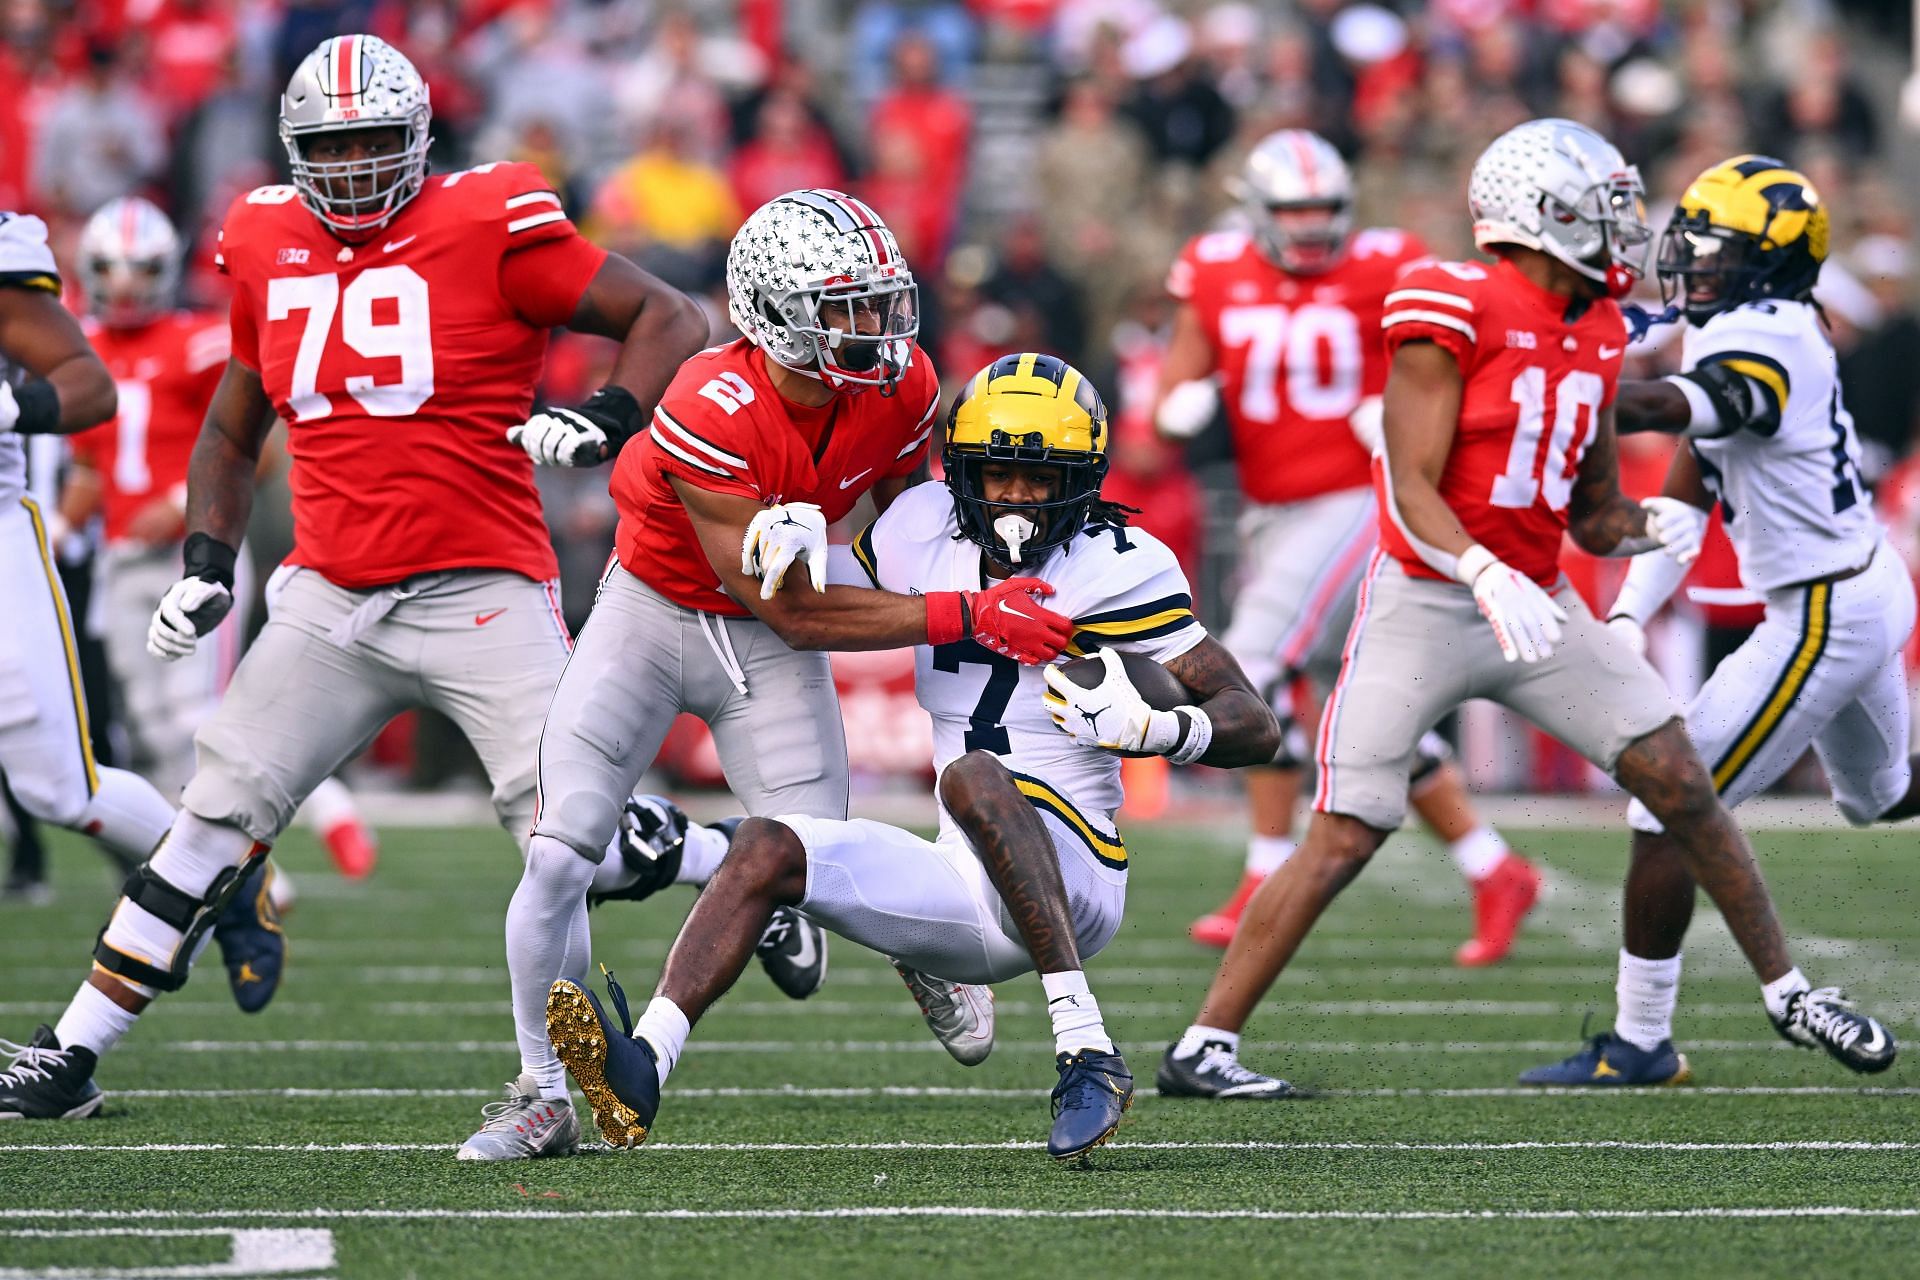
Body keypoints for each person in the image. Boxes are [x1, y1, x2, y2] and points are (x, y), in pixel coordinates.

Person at [0, 36, 709, 1134]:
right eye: (331, 145)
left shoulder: (492, 218)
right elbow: (235, 430)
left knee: (570, 844)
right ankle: (72, 1051)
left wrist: (608, 415)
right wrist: (204, 558)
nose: (353, 163)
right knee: (211, 817)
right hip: (328, 598)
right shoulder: (262, 236)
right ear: (295, 150)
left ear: (418, 136)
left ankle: (607, 1006)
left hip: (483, 589)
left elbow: (670, 315)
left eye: (376, 139)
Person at [1155, 119, 1895, 1101]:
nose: (1626, 229)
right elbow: (1411, 488)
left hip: (1539, 606)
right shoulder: (1449, 301)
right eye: (1604, 210)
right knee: (1345, 829)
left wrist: (1642, 530)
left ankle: (1788, 988)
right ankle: (1203, 1044)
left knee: (1679, 777)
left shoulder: (1595, 325)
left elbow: (1589, 513)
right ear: (1536, 215)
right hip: (1425, 598)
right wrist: (1479, 569)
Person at [543, 353, 1281, 1159]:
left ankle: (1086, 1048)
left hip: (1076, 878)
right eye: (999, 475)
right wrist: (791, 533)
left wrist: (1162, 731)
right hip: (961, 877)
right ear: (961, 471)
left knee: (975, 776)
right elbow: (817, 602)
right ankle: (645, 1063)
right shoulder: (918, 526)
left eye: (1043, 479)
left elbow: (1254, 722)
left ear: (1086, 479)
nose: (1018, 500)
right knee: (769, 841)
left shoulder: (1119, 563)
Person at [501, 190, 1082, 1161]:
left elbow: (909, 527)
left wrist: (1002, 559)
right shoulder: (707, 402)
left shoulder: (900, 387)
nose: (877, 326)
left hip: (773, 631)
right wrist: (971, 612)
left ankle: (901, 940)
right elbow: (795, 609)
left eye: (881, 300)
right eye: (846, 307)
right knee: (558, 852)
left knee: (817, 866)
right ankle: (539, 1090)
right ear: (772, 312)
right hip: (658, 614)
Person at [1525, 157, 1909, 1085]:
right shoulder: (1747, 323)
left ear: (1771, 263)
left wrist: (1547, 389)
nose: (1691, 260)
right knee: (1881, 798)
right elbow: (1691, 496)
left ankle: (1641, 1042)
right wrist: (1626, 613)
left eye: (1717, 249)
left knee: (1666, 804)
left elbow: (1668, 408)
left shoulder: (1770, 340)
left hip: (1823, 609)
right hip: (1860, 580)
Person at [1156, 130, 1539, 964]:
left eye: (1323, 210)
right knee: (1349, 705)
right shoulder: (1216, 268)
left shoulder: (1388, 261)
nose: (1309, 227)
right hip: (1272, 513)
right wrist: (1175, 402)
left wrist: (1403, 411)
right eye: (1292, 210)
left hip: (1359, 496)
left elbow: (1469, 349)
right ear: (1256, 211)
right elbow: (1166, 399)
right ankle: (1494, 866)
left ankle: (1264, 869)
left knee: (1253, 659)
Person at [0, 207, 281, 1115]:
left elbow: (87, 389)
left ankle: (219, 883)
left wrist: (8, 403)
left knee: (60, 788)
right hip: (102, 542)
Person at [63, 196, 379, 878]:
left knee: (200, 717)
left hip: (195, 554)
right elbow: (90, 465)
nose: (123, 286)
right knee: (153, 726)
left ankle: (299, 833)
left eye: (139, 269)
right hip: (120, 559)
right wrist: (59, 528)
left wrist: (180, 502)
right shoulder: (82, 351)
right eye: (110, 270)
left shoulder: (199, 341)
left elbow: (253, 444)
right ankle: (238, 869)